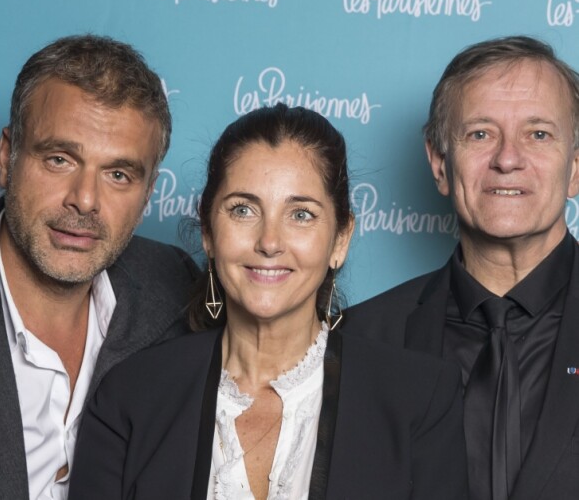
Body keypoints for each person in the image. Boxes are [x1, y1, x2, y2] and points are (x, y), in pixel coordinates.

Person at [68, 103, 468, 500]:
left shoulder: (420, 397)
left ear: (341, 239)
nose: (269, 242)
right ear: (208, 231)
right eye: (243, 210)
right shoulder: (130, 394)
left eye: (301, 215)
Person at [344, 35, 579, 500]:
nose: (508, 159)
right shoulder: (361, 341)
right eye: (480, 134)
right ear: (438, 163)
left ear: (575, 166)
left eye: (538, 134)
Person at [0, 35, 199, 500]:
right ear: (6, 157)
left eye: (118, 175)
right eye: (59, 159)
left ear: (149, 193)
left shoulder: (172, 284)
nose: (85, 200)